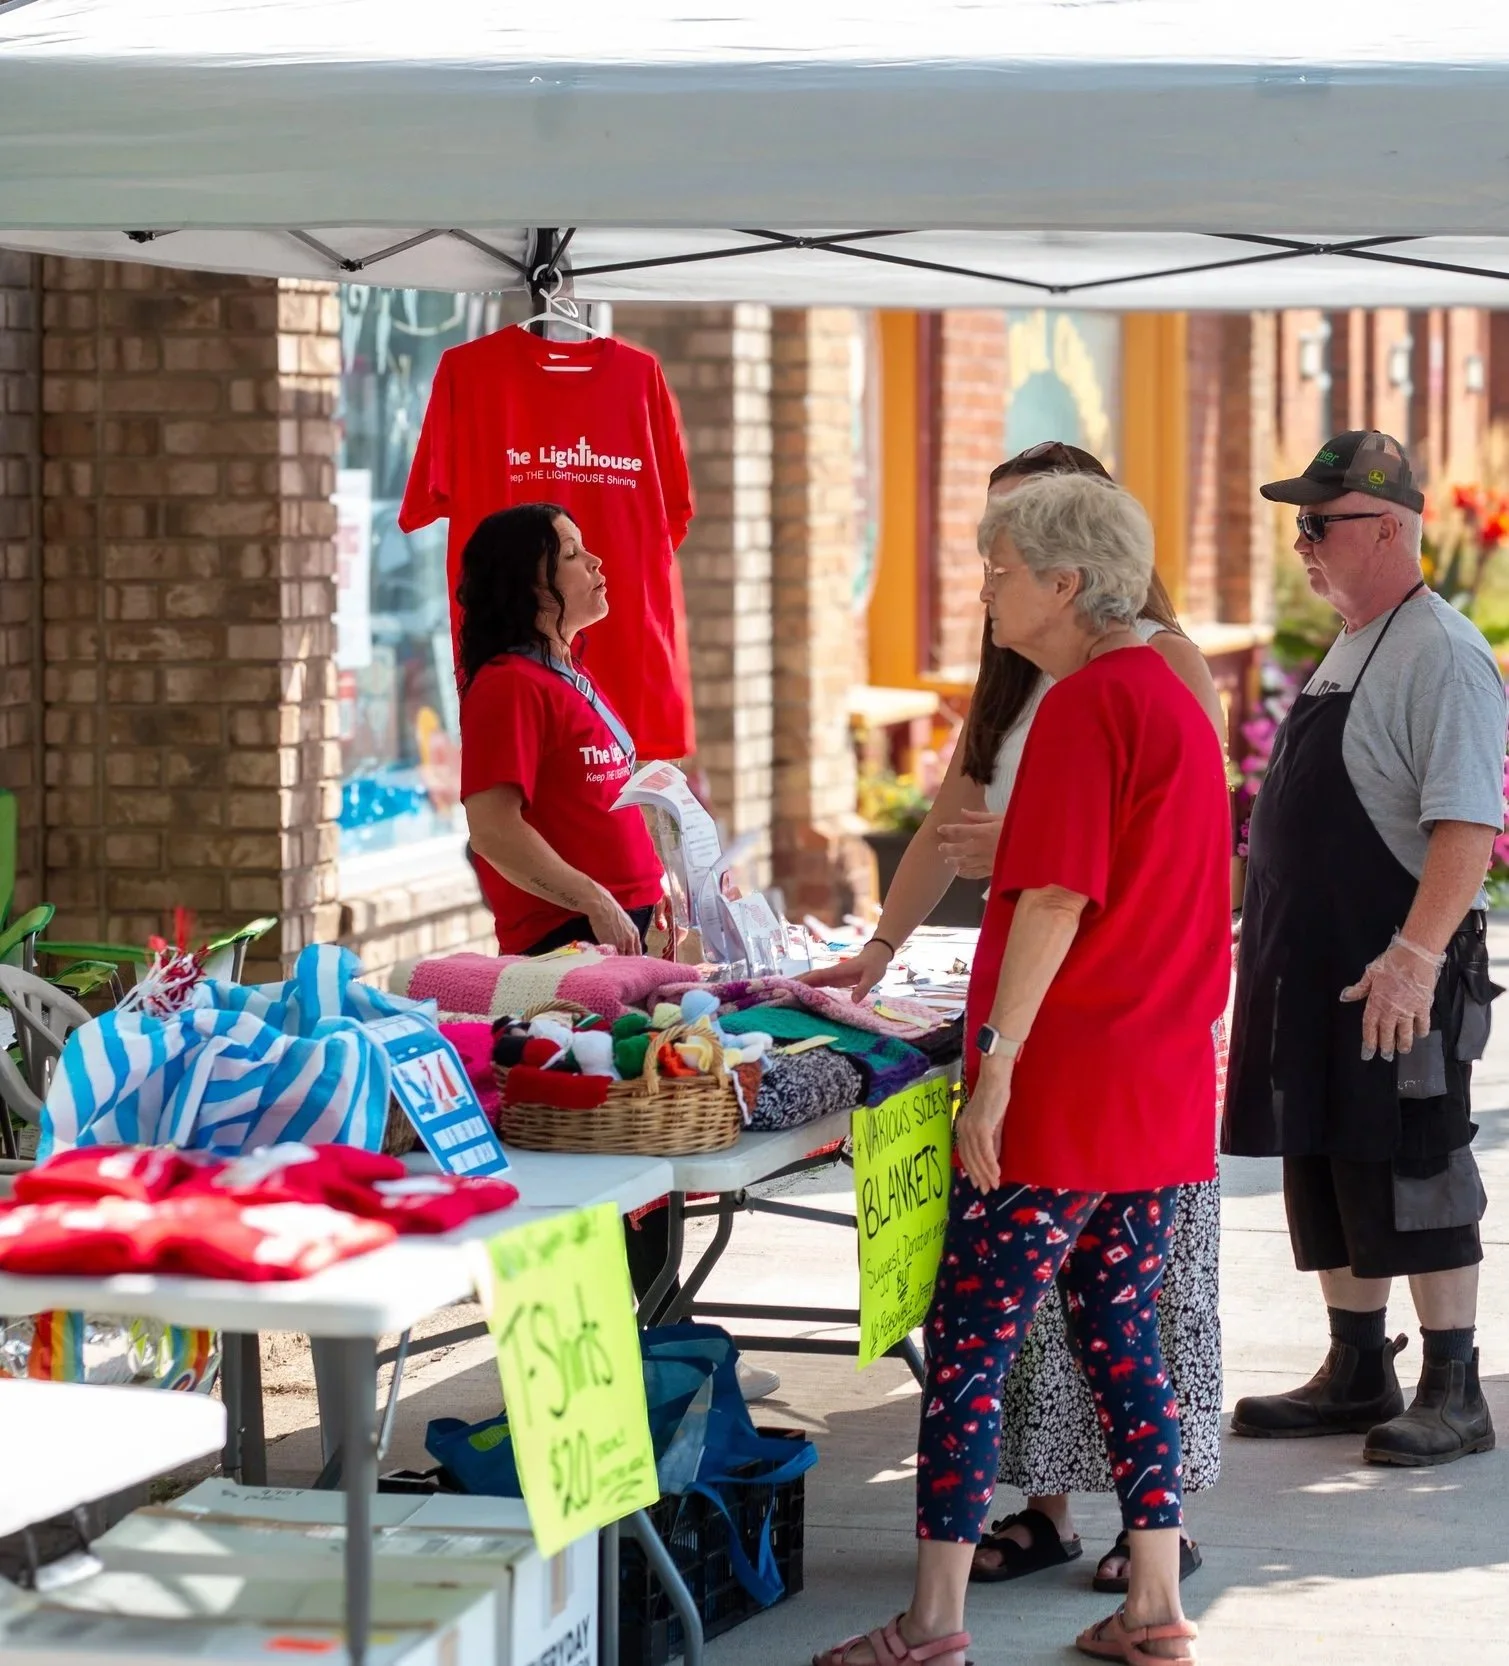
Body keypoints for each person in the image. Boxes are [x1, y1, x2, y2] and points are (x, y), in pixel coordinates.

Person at [812, 472, 1229, 1666]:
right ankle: (1154, 1603)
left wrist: (993, 1070)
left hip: (1070, 1080)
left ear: (1067, 580)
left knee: (973, 1341)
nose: (984, 589)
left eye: (999, 569)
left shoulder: (1095, 703)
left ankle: (936, 1622)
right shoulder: (1166, 693)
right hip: (1151, 1085)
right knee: (1119, 1335)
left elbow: (1053, 901)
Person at [1224, 431, 1505, 1466]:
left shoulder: (1444, 653)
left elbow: (1466, 826)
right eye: (1297, 522)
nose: (1300, 542)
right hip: (1321, 963)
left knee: (1415, 1161)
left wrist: (1415, 956)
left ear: (1385, 527)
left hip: (1397, 966)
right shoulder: (1356, 639)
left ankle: (1454, 1386)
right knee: (1334, 1153)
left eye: (1318, 523)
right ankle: (1356, 1367)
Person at [457, 502, 665, 958]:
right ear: (527, 585)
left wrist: (655, 881)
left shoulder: (568, 674)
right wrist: (592, 898)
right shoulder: (509, 683)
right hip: (564, 937)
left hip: (622, 922)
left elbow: (599, 802)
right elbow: (492, 830)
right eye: (571, 554)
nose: (595, 562)